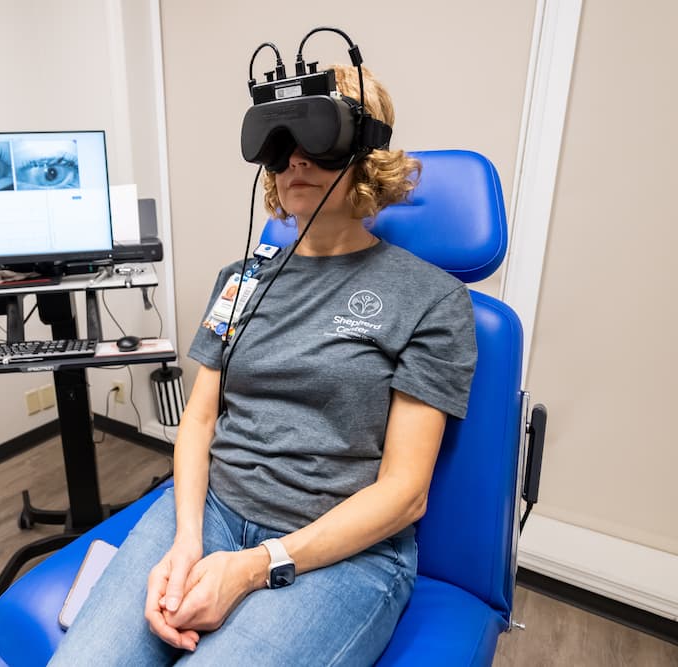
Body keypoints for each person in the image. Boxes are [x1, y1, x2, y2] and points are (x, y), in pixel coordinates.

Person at [49, 64, 477, 666]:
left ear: (365, 152)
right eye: (279, 142)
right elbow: (198, 423)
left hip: (341, 551)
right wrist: (185, 540)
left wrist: (253, 568)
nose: (295, 159)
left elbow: (405, 495)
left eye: (317, 138)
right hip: (213, 513)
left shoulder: (430, 299)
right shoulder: (240, 281)